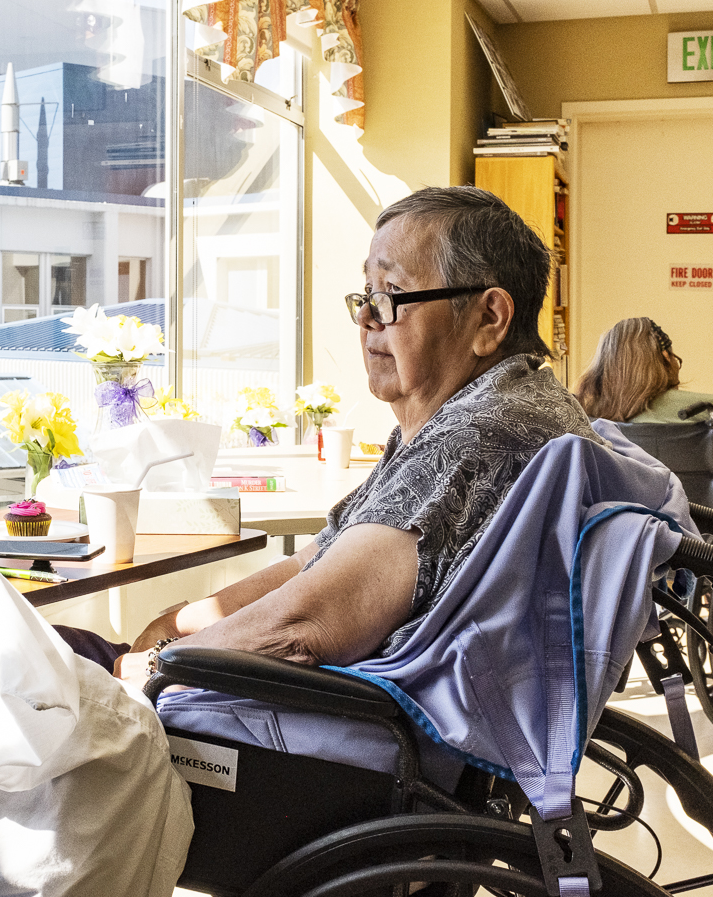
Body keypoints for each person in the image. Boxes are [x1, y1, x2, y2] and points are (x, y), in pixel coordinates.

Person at [93, 186, 601, 686]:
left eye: (390, 297)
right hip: (309, 703)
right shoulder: (494, 408)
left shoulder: (481, 436)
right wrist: (182, 620)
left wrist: (160, 661)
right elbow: (318, 559)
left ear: (489, 319)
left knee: (43, 660)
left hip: (312, 726)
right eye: (366, 295)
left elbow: (302, 625)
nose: (364, 318)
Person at [573, 317, 713, 496]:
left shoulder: (587, 415)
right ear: (665, 356)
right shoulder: (708, 410)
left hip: (633, 542)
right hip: (709, 545)